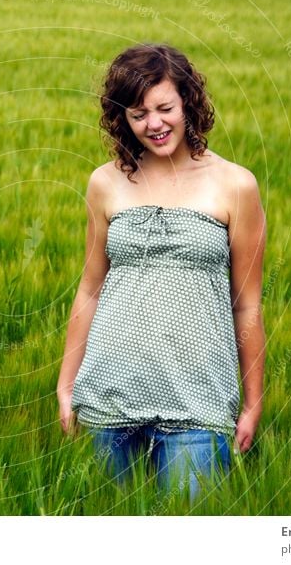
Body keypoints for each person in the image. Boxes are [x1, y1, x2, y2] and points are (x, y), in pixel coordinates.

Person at [56, 43, 266, 501]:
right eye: (137, 113)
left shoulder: (235, 185)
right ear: (122, 120)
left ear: (189, 102)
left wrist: (253, 403)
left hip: (199, 402)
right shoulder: (105, 182)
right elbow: (90, 289)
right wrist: (66, 385)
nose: (153, 124)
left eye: (164, 108)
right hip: (108, 399)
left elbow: (247, 303)